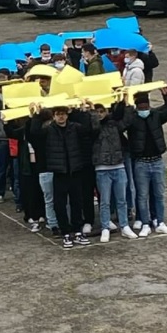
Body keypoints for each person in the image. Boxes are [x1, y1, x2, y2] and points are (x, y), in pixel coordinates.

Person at [28, 102, 99, 249]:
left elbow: (92, 131)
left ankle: (78, 232)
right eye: (58, 114)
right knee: (59, 205)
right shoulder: (48, 130)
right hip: (59, 172)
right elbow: (33, 135)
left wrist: (87, 112)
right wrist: (36, 115)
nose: (61, 117)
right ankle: (66, 233)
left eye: (63, 114)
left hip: (75, 171)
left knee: (77, 203)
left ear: (67, 115)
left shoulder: (75, 127)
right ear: (54, 116)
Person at [123, 89, 167, 237]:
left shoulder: (156, 115)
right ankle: (145, 223)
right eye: (141, 108)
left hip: (157, 161)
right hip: (141, 162)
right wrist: (124, 105)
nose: (144, 110)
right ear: (136, 107)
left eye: (146, 107)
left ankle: (159, 222)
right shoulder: (132, 119)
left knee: (159, 194)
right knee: (142, 195)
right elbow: (120, 123)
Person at [92, 102, 139, 242]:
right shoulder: (92, 126)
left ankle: (124, 226)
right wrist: (91, 112)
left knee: (122, 200)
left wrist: (128, 104)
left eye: (102, 111)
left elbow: (127, 121)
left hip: (118, 166)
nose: (99, 114)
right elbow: (93, 128)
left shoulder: (113, 124)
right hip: (102, 168)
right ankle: (105, 227)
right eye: (97, 111)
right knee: (105, 201)